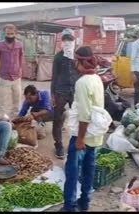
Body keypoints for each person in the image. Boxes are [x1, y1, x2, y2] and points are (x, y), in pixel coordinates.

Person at [62, 46, 105, 212]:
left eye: (75, 60)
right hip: (95, 135)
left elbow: (85, 115)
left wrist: (80, 139)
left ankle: (70, 206)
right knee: (89, 170)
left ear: (80, 61)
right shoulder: (97, 78)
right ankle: (84, 202)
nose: (74, 63)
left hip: (84, 136)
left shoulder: (82, 82)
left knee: (72, 172)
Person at [51, 28, 79, 159]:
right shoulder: (58, 57)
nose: (67, 42)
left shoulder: (78, 56)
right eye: (65, 39)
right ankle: (59, 145)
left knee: (78, 117)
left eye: (70, 39)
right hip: (60, 91)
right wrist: (52, 95)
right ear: (62, 41)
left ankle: (76, 143)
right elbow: (54, 76)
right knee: (57, 119)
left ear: (74, 41)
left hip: (75, 91)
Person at [0, 24, 24, 119]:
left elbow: (21, 57)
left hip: (16, 77)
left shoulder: (19, 45)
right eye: (8, 34)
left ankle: (15, 119)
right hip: (4, 77)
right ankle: (1, 120)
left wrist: (21, 69)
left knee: (17, 100)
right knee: (1, 101)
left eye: (12, 33)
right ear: (4, 33)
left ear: (15, 33)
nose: (10, 36)